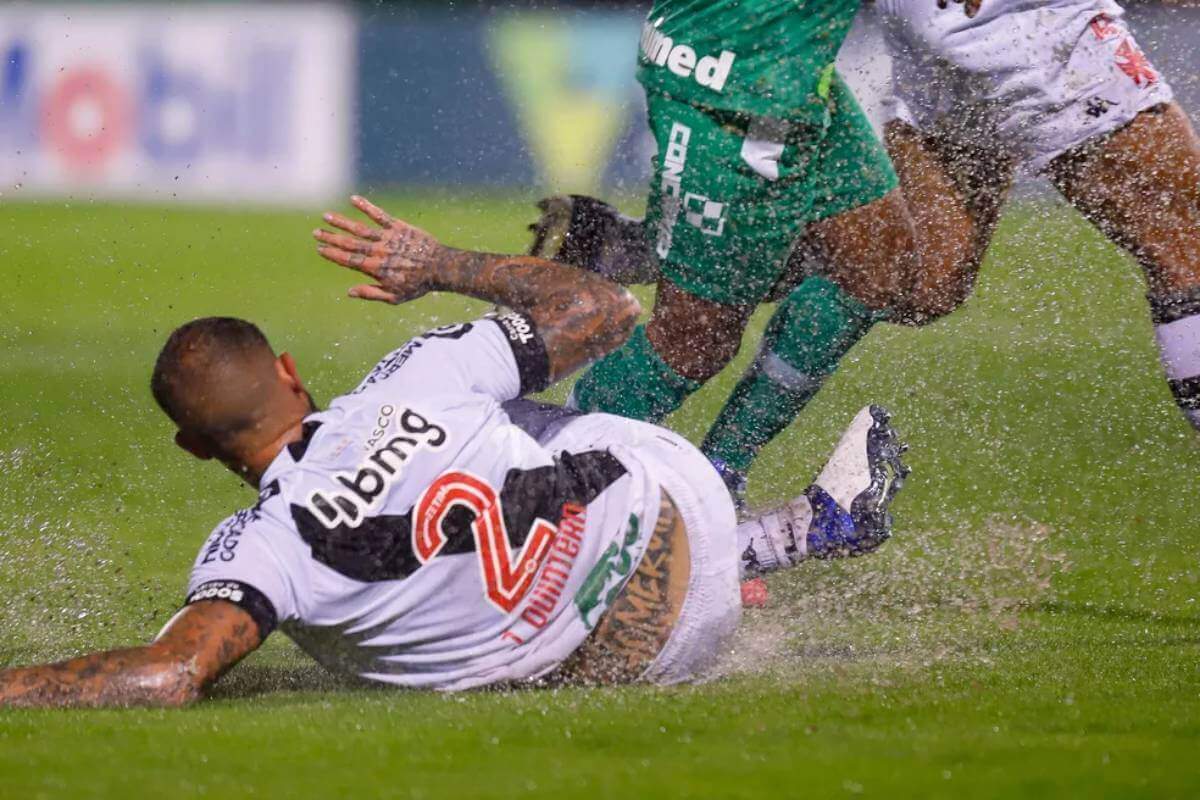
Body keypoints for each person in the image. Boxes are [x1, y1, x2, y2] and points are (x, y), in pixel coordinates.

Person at [0, 197, 908, 708]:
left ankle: (782, 537)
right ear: (287, 369)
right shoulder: (411, 377)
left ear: (194, 447)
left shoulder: (260, 548)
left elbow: (168, 675)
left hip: (641, 664)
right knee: (534, 419)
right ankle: (778, 534)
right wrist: (438, 265)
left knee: (466, 579)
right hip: (678, 508)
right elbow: (610, 310)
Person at [530, 0, 1200, 496]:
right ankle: (534, 489)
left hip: (848, 58)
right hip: (765, 73)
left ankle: (715, 467)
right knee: (694, 340)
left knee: (902, 274)